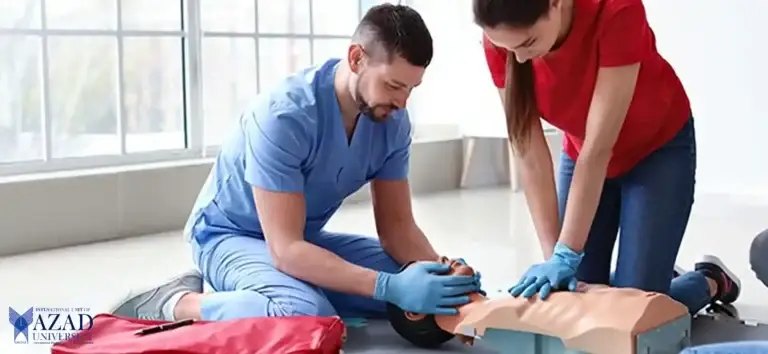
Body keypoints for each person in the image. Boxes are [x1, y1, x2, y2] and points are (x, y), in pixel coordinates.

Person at [110, 4, 480, 322]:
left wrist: (444, 271)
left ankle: (285, 287)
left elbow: (398, 228)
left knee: (426, 289)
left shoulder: (391, 121)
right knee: (306, 314)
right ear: (356, 59)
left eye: (412, 89)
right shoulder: (284, 116)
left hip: (300, 239)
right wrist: (386, 286)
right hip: (231, 237)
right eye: (394, 85)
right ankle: (178, 302)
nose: (402, 102)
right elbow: (285, 249)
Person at [471, 0, 741, 316]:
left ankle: (709, 281)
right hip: (582, 153)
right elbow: (529, 153)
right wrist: (555, 259)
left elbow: (598, 149)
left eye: (528, 43)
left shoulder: (617, 10)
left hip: (656, 152)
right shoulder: (504, 39)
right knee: (575, 305)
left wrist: (567, 255)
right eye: (508, 48)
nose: (517, 57)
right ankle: (652, 274)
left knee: (632, 314)